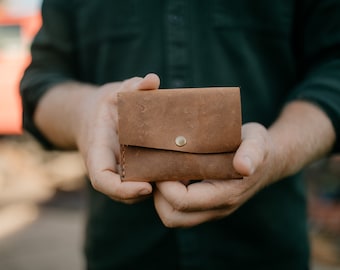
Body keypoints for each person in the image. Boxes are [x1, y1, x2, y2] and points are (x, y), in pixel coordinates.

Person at [20, 1, 340, 269]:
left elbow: (334, 66)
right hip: (123, 254)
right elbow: (40, 84)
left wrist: (277, 152)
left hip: (267, 248)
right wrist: (86, 111)